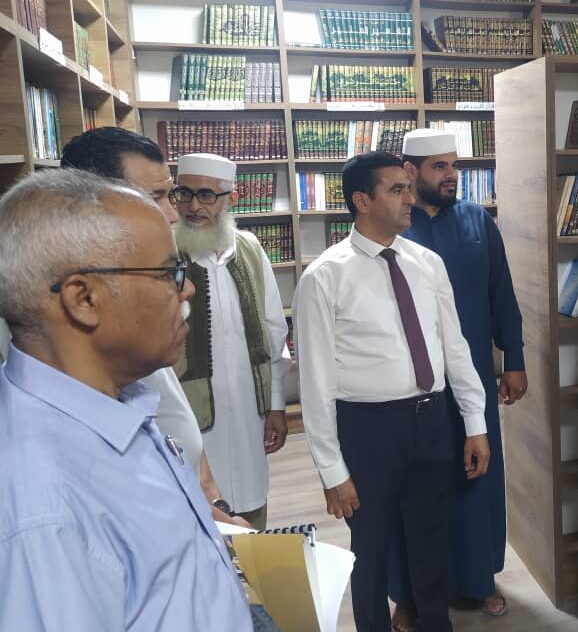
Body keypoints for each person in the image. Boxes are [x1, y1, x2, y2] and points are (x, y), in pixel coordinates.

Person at [0, 170, 252, 630]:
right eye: (169, 273)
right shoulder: (43, 512)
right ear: (84, 299)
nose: (187, 288)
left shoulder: (113, 401)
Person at [294, 152, 490, 632]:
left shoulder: (427, 264)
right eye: (397, 190)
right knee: (371, 549)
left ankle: (435, 624)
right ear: (362, 201)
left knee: (431, 539)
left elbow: (455, 347)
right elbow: (315, 383)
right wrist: (332, 471)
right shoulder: (324, 276)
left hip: (432, 420)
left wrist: (475, 423)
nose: (409, 198)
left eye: (408, 187)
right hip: (368, 429)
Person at [386, 129, 526, 627]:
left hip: (475, 379)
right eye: (439, 167)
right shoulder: (394, 226)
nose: (452, 176)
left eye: (454, 165)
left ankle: (477, 579)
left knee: (476, 477)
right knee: (413, 487)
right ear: (410, 171)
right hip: (410, 383)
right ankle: (408, 593)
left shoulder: (477, 221)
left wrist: (514, 358)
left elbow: (501, 291)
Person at [173, 152, 291, 531]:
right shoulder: (164, 255)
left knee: (252, 504)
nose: (193, 206)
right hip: (190, 416)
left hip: (248, 410)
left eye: (206, 195)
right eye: (184, 193)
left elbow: (274, 331)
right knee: (199, 512)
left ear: (231, 199)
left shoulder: (250, 249)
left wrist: (276, 406)